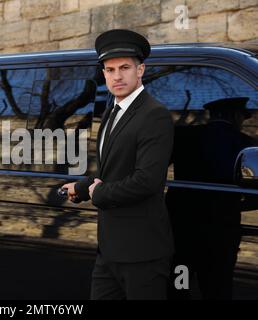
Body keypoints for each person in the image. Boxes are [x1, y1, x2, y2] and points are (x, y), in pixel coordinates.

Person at [61, 29, 175, 300]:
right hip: (109, 250)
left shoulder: (154, 114)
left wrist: (98, 193)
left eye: (125, 67)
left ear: (140, 70)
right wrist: (83, 185)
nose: (117, 76)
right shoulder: (112, 112)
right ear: (104, 74)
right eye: (110, 69)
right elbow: (112, 172)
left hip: (143, 253)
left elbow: (147, 180)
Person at [167, 97, 256, 299]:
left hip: (182, 231)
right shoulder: (243, 143)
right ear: (235, 116)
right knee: (217, 289)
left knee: (179, 286)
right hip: (220, 236)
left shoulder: (184, 136)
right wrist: (233, 205)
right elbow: (253, 195)